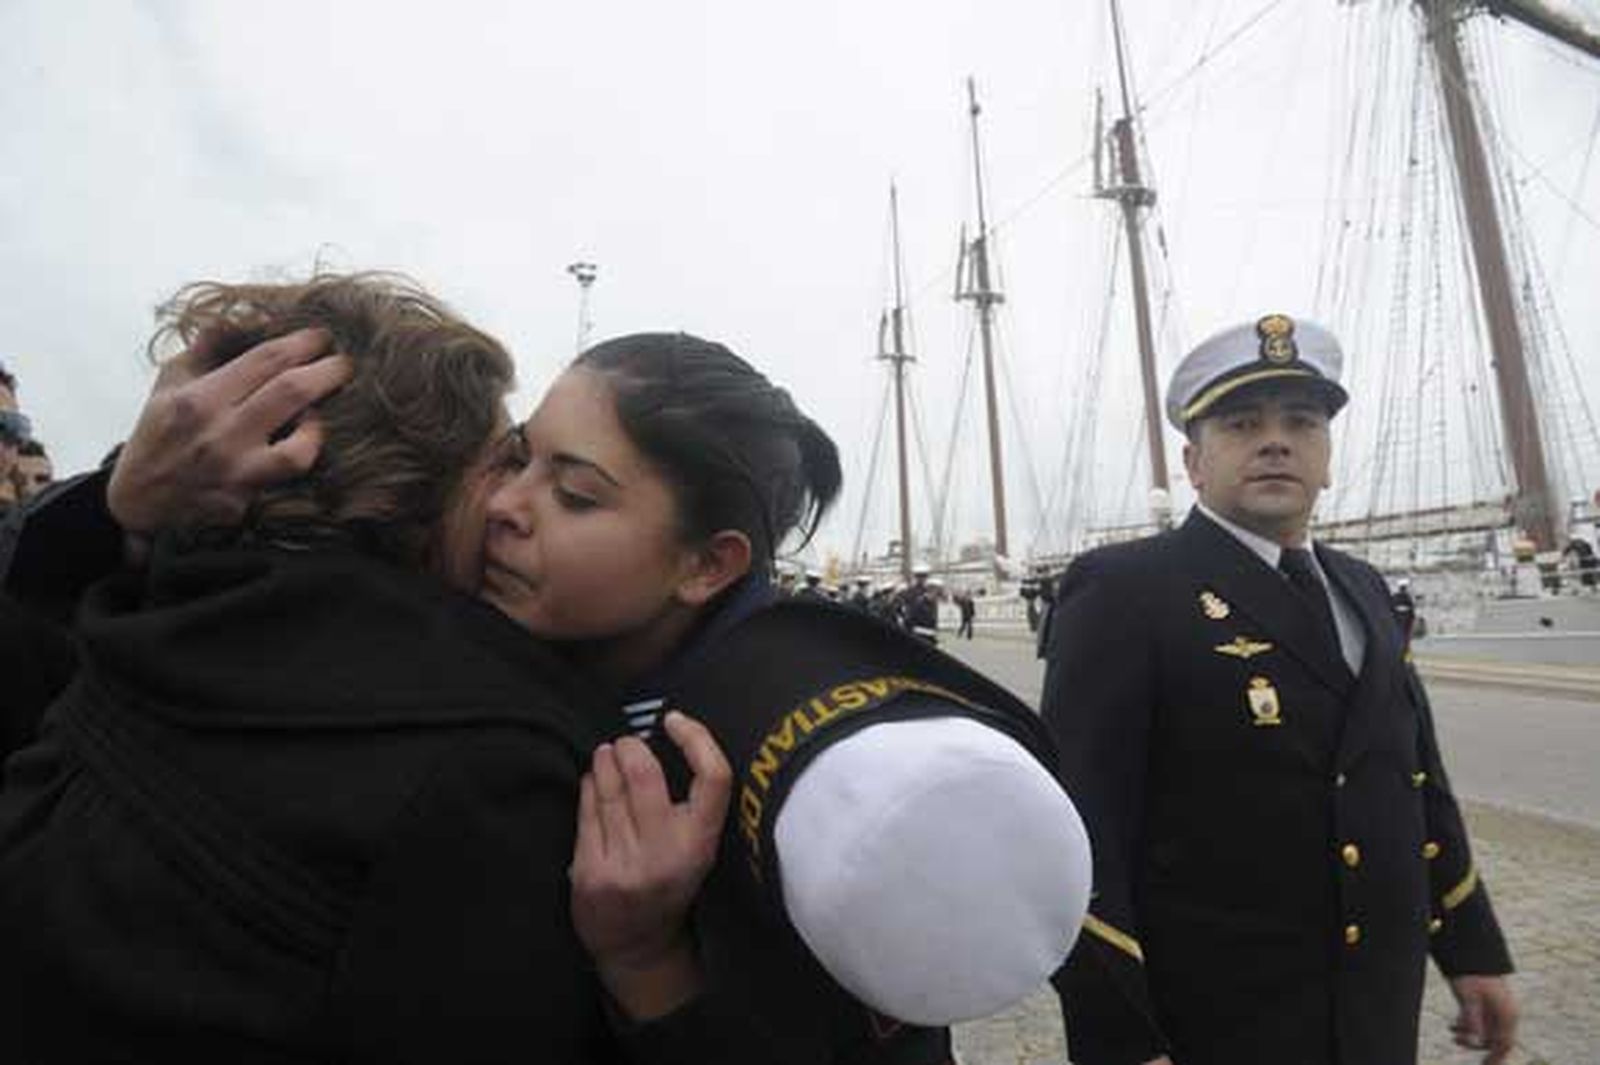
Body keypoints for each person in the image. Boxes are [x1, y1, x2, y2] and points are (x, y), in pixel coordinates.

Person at [5, 314, 1091, 1063]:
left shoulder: (779, 762)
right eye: (513, 460)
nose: (507, 508)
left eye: (574, 494)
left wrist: (649, 963)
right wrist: (124, 506)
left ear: (704, 565)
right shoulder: (475, 666)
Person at [0, 275, 733, 1064]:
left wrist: (118, 507)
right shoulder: (495, 768)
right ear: (413, 484)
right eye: (505, 459)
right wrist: (651, 970)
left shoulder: (128, 622)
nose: (511, 504)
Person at [1042, 314, 1516, 1065]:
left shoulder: (1363, 590)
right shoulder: (1126, 590)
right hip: (1219, 1020)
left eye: (1301, 421)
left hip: (1374, 1013)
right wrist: (1120, 1039)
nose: (1275, 440)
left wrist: (1471, 948)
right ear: (1194, 462)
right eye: (1241, 423)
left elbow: (1414, 781)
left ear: (1326, 457)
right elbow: (1078, 832)